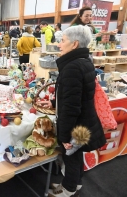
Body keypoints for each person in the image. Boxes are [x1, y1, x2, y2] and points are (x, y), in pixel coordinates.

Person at [37, 25, 106, 196]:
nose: (59, 44)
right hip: (84, 120)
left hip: (76, 124)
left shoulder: (72, 68)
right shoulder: (84, 62)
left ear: (74, 44)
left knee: (71, 156)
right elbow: (73, 95)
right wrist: (54, 102)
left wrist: (65, 135)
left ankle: (68, 190)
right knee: (76, 155)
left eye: (63, 41)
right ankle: (77, 183)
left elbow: (70, 107)